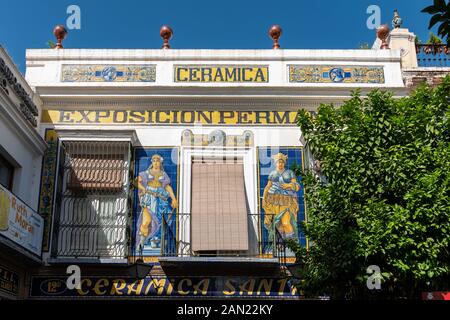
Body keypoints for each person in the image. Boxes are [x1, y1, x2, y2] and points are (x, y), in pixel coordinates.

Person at [136, 154, 177, 252]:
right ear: (151, 162)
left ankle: (155, 243)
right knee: (146, 222)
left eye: (157, 160)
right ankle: (140, 244)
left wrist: (174, 199)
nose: (155, 162)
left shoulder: (163, 175)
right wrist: (144, 189)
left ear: (160, 162)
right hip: (149, 199)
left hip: (160, 200)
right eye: (154, 160)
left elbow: (167, 187)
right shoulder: (145, 173)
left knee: (159, 224)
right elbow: (136, 182)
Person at [262, 152, 300, 242]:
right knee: (277, 224)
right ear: (275, 163)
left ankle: (292, 244)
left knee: (286, 222)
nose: (280, 164)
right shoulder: (272, 173)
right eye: (278, 162)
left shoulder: (289, 173)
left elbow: (296, 185)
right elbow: (268, 187)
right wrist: (264, 198)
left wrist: (289, 186)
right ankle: (283, 244)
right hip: (273, 200)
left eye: (282, 162)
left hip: (286, 200)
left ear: (284, 163)